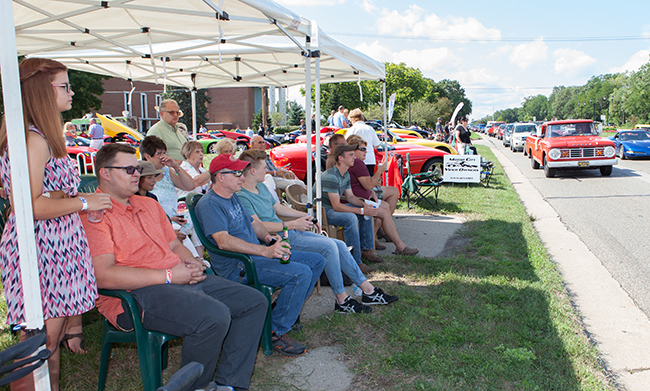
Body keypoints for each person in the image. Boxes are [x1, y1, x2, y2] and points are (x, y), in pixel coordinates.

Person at [82, 144, 267, 391]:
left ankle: (230, 384)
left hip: (175, 279)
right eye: (129, 169)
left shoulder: (148, 205)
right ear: (105, 173)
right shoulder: (95, 214)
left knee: (253, 301)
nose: (137, 173)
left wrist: (189, 260)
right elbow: (103, 276)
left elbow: (174, 245)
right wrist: (169, 276)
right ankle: (194, 388)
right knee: (213, 316)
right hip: (134, 295)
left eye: (137, 168)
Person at [0, 57, 112, 390]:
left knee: (51, 340)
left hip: (58, 244)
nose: (72, 92)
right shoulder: (32, 141)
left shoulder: (42, 138)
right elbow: (28, 206)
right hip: (41, 248)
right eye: (64, 85)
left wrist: (69, 202)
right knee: (38, 344)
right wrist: (82, 202)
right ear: (40, 92)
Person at [194, 154, 326, 357]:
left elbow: (254, 224)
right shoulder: (210, 204)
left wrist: (268, 239)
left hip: (255, 254)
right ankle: (275, 331)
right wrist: (265, 251)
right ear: (220, 177)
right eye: (236, 173)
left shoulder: (233, 196)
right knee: (301, 274)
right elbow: (223, 241)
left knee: (317, 261)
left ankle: (279, 313)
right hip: (238, 266)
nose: (241, 177)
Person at [237, 149, 399, 313]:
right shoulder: (242, 195)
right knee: (329, 247)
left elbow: (278, 208)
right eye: (264, 167)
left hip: (287, 231)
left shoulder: (261, 188)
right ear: (252, 171)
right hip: (277, 240)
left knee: (340, 245)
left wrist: (306, 216)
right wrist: (293, 224)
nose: (267, 170)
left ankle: (368, 290)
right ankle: (342, 299)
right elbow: (258, 227)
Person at [346, 136, 418, 255]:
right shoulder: (357, 163)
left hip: (361, 196)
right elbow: (368, 185)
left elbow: (365, 184)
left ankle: (378, 236)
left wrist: (372, 185)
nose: (366, 151)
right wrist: (379, 172)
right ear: (354, 150)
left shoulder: (355, 162)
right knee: (386, 208)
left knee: (385, 205)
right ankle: (399, 246)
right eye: (363, 149)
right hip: (357, 200)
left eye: (366, 148)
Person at [319, 143, 383, 269]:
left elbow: (351, 197)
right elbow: (336, 206)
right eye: (351, 155)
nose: (354, 157)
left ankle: (367, 250)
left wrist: (364, 205)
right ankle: (355, 261)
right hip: (323, 211)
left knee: (367, 210)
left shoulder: (345, 173)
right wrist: (361, 210)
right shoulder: (331, 176)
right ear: (340, 158)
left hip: (332, 208)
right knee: (351, 218)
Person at [140, 136, 203, 257]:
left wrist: (175, 166)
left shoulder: (167, 172)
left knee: (197, 219)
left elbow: (190, 185)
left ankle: (197, 260)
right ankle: (196, 260)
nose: (163, 156)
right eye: (159, 153)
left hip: (176, 219)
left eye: (164, 152)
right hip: (161, 224)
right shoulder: (141, 179)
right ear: (148, 156)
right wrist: (168, 220)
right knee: (179, 233)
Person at [345, 108, 381, 175]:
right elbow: (377, 144)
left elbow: (346, 144)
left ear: (353, 119)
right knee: (369, 180)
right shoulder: (370, 128)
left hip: (355, 159)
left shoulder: (351, 129)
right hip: (370, 159)